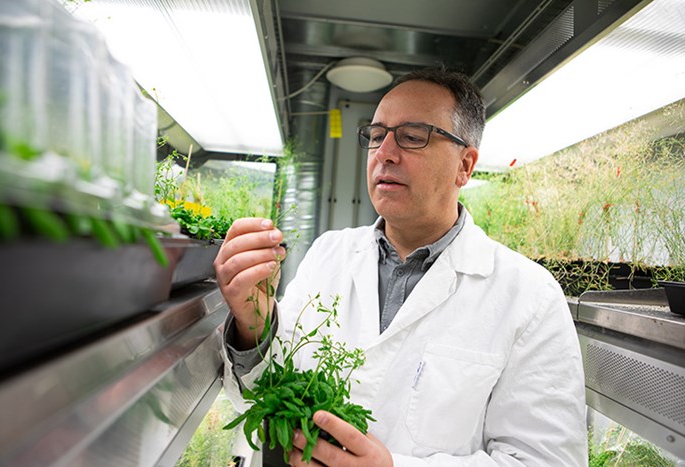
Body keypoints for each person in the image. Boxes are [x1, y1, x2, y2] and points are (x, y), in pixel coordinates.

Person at [215, 68, 587, 466]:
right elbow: (266, 391)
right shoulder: (328, 254)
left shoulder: (528, 295)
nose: (385, 153)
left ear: (465, 165)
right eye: (376, 136)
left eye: (412, 137)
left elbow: (549, 460)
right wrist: (253, 324)